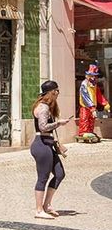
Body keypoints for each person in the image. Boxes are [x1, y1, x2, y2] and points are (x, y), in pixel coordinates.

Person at [31, 80, 72, 218]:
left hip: (47, 143)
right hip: (41, 144)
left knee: (59, 173)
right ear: (51, 92)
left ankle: (46, 205)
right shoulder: (43, 107)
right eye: (57, 91)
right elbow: (43, 127)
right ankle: (38, 210)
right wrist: (58, 123)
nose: (58, 93)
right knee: (43, 178)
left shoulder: (47, 107)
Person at [78, 63, 110, 142]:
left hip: (93, 106)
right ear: (87, 76)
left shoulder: (95, 85)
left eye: (95, 76)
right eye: (92, 75)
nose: (93, 77)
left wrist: (105, 103)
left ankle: (90, 132)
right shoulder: (84, 84)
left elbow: (99, 95)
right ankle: (83, 132)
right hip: (86, 106)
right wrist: (91, 107)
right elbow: (85, 97)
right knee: (84, 118)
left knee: (92, 120)